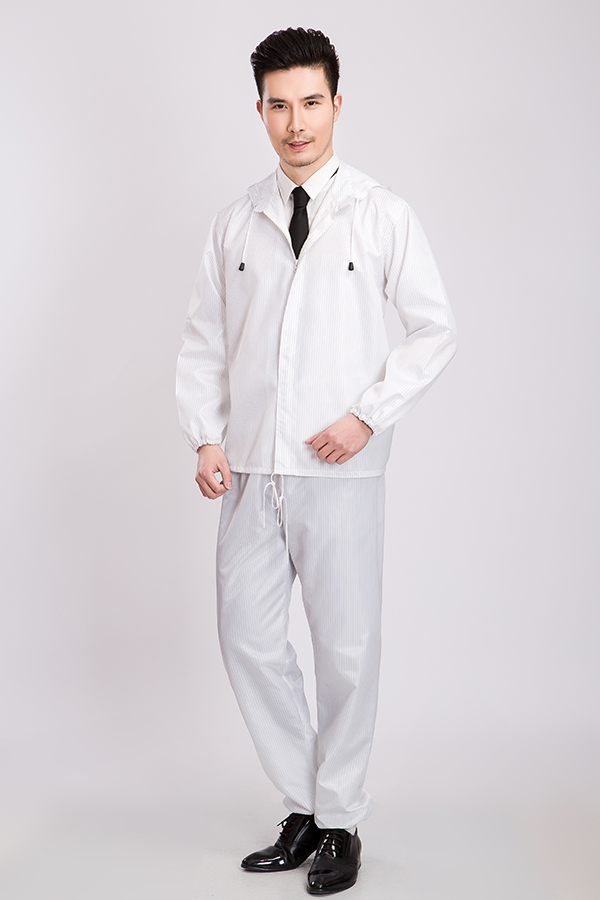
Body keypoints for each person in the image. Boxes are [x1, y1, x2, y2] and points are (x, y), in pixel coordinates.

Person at [176, 26, 457, 895]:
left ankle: (339, 822)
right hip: (251, 466)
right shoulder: (236, 221)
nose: (295, 122)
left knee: (345, 649)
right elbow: (205, 339)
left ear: (337, 103)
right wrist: (207, 433)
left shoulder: (380, 213)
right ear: (259, 110)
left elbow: (434, 328)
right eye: (278, 105)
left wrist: (368, 416)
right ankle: (306, 801)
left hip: (338, 468)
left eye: (310, 102)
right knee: (246, 636)